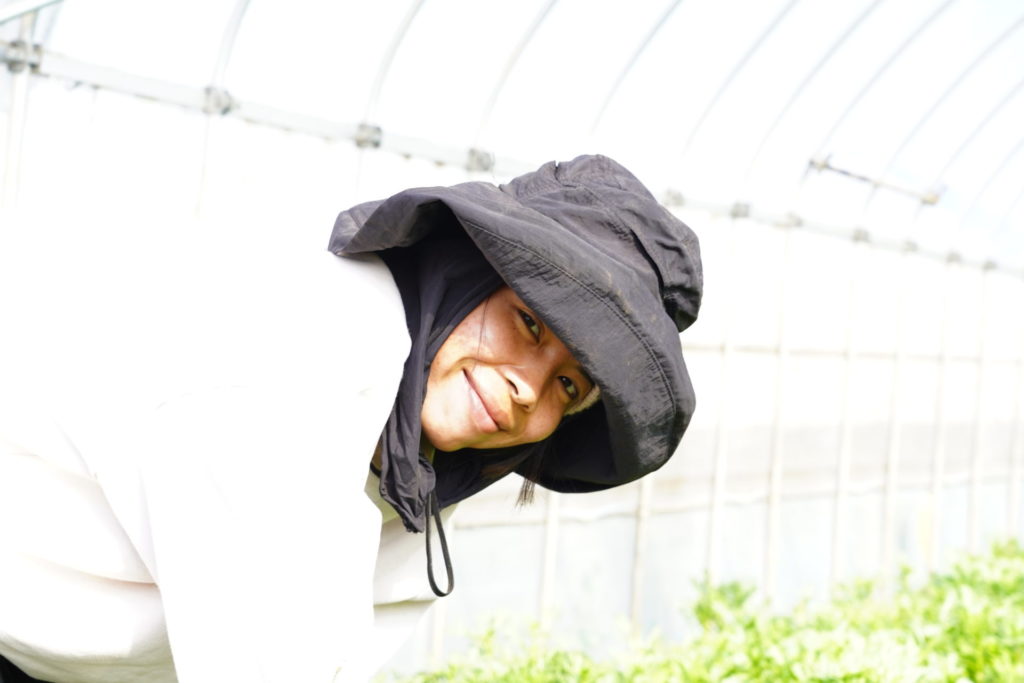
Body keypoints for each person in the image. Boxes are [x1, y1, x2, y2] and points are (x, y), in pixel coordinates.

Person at [0, 154, 702, 682]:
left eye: (569, 385)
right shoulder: (300, 357)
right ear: (463, 271)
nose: (527, 388)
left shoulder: (417, 454)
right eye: (529, 322)